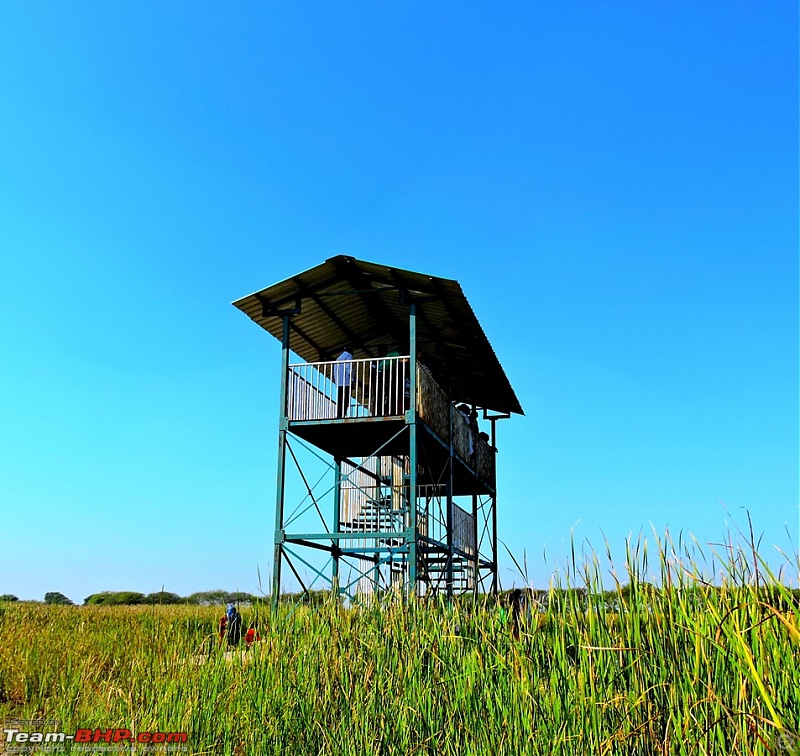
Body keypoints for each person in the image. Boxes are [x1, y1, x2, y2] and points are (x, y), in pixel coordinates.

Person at [334, 346, 353, 418]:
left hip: (339, 382)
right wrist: (352, 380)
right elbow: (349, 367)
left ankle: (339, 415)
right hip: (346, 382)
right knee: (346, 400)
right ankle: (343, 413)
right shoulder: (348, 355)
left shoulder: (338, 358)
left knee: (340, 399)